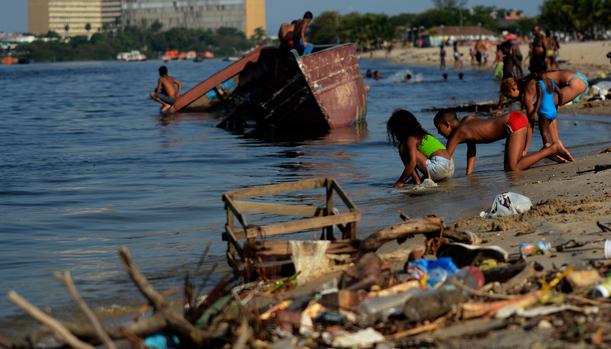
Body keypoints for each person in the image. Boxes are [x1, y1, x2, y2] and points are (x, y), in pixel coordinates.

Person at [433, 109, 572, 174]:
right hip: (515, 117)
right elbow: (471, 150)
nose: (439, 133)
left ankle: (552, 149)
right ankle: (547, 150)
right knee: (512, 165)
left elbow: (444, 160)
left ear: (447, 124)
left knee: (513, 168)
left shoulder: (456, 134)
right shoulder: (466, 122)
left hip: (512, 123)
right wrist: (469, 175)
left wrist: (428, 175)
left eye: (439, 129)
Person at [387, 109, 454, 188]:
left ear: (400, 130)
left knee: (403, 149)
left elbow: (412, 163)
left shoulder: (410, 139)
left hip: (439, 168)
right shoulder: (424, 135)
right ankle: (419, 180)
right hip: (451, 167)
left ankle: (417, 181)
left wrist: (400, 181)